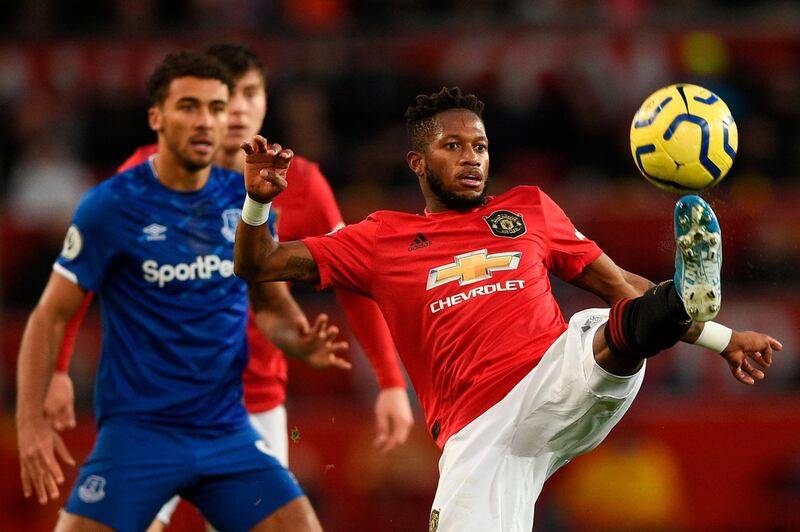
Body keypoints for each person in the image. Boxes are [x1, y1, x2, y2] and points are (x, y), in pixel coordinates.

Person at [232, 86, 783, 531]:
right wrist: (258, 203)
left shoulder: (529, 210)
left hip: (552, 375)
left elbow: (617, 283)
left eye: (480, 146)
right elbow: (261, 265)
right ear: (417, 162)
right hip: (479, 434)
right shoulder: (379, 238)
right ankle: (671, 305)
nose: (471, 158)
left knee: (600, 329)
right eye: (453, 146)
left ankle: (682, 298)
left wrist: (722, 338)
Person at [43, 42, 414, 531]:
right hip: (158, 403)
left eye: (251, 94)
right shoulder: (140, 176)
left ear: (265, 102)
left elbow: (352, 279)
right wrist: (59, 369)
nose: (239, 108)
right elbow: (83, 278)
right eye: (227, 97)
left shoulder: (301, 183)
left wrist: (390, 382)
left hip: (254, 398)